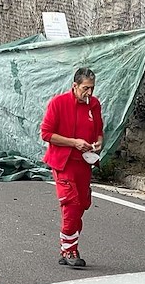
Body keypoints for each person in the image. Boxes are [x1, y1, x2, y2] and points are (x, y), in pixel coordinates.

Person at [40, 67, 104, 268]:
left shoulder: (94, 104)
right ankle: (69, 250)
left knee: (83, 204)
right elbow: (46, 134)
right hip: (63, 163)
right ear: (75, 86)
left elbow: (99, 131)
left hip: (85, 162)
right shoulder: (58, 103)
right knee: (72, 204)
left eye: (92, 88)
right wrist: (73, 142)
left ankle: (67, 245)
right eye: (85, 88)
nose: (89, 93)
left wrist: (98, 143)